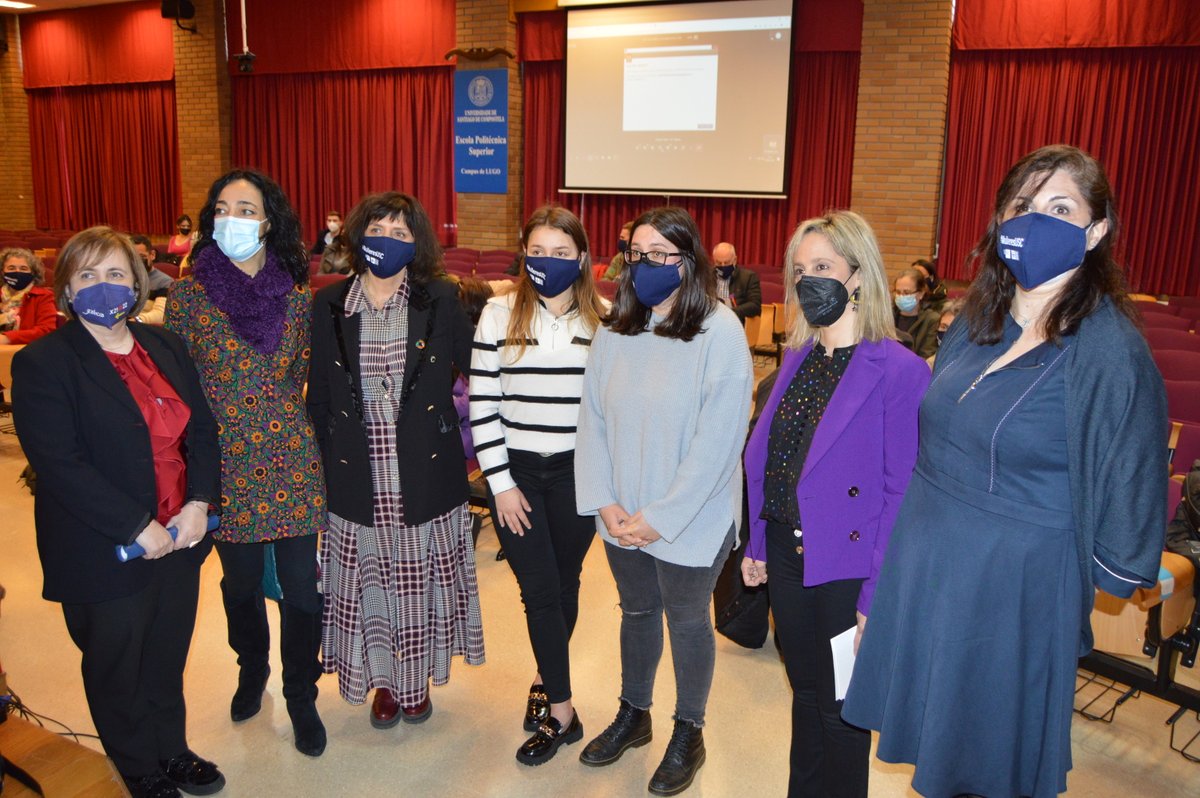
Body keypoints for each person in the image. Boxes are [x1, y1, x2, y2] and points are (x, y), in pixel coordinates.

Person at [842, 144, 1167, 798]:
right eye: (1024, 206)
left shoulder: (1111, 348)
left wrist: (1106, 568)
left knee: (985, 768)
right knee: (935, 762)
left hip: (1014, 589)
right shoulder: (974, 320)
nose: (1037, 220)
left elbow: (1134, 479)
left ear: (1096, 230)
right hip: (929, 560)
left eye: (1061, 207)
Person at [12, 226, 224, 798]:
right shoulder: (43, 363)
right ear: (64, 288)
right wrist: (137, 526)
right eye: (87, 275)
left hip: (180, 537)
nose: (103, 286)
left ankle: (172, 751)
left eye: (116, 274)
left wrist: (200, 504)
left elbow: (202, 430)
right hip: (104, 547)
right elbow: (60, 464)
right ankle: (138, 766)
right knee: (117, 665)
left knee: (164, 656)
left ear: (137, 284)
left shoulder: (166, 347)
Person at [740, 211, 929, 797]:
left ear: (857, 274)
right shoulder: (797, 355)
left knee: (843, 711)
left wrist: (877, 594)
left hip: (848, 570)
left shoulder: (898, 369)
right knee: (806, 693)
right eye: (800, 270)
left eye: (822, 267)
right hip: (791, 557)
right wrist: (758, 543)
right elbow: (774, 459)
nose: (808, 280)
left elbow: (902, 492)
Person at [575, 206, 752, 796]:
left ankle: (689, 731)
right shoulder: (615, 327)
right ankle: (635, 714)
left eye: (661, 254)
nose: (646, 264)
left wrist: (662, 518)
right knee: (636, 612)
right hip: (621, 513)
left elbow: (721, 437)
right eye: (637, 253)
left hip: (691, 518)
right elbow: (592, 421)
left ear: (689, 261)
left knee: (685, 619)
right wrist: (604, 502)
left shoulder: (720, 329)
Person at [166, 169, 329, 757]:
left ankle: (301, 693)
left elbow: (310, 378)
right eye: (224, 207)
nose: (233, 218)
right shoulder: (187, 297)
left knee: (303, 592)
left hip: (291, 459)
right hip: (224, 465)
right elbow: (176, 388)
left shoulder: (296, 294)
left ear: (268, 221)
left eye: (247, 208)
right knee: (238, 586)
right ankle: (251, 669)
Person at [307, 191, 484, 731]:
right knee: (372, 587)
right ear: (358, 234)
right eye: (378, 228)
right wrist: (317, 473)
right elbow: (318, 397)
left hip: (423, 470)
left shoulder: (440, 299)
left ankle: (416, 682)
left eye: (402, 233)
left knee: (417, 584)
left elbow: (478, 370)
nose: (388, 239)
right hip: (357, 472)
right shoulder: (330, 303)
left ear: (418, 245)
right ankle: (384, 683)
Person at [469, 206, 609, 765]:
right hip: (518, 475)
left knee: (566, 580)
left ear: (581, 257)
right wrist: (500, 485)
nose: (547, 261)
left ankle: (545, 674)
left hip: (579, 474)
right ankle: (564, 709)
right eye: (538, 250)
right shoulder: (498, 313)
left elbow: (611, 409)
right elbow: (483, 404)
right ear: (523, 253)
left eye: (560, 251)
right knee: (540, 589)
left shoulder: (606, 316)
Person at [0, 247, 56, 345]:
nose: (17, 272)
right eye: (11, 268)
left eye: (23, 268)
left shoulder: (43, 296)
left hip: (28, 351)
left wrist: (7, 338)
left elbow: (47, 330)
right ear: (2, 272)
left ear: (32, 273)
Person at [891, 268, 940, 358]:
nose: (901, 296)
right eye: (898, 292)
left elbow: (927, 354)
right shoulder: (888, 316)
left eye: (907, 292)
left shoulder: (932, 320)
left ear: (920, 294)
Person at [711, 241, 762, 321]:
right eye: (719, 263)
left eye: (727, 262)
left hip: (736, 321)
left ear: (734, 260)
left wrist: (730, 312)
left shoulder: (748, 277)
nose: (723, 266)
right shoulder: (706, 277)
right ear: (714, 260)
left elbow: (755, 306)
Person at [130, 235, 174, 325]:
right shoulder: (125, 279)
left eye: (142, 256)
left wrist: (136, 320)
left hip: (144, 327)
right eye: (133, 257)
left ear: (152, 255)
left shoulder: (165, 282)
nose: (138, 261)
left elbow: (160, 315)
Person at [927, 297, 964, 368]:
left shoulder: (973, 366)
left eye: (953, 329)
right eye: (943, 327)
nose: (946, 333)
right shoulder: (931, 363)